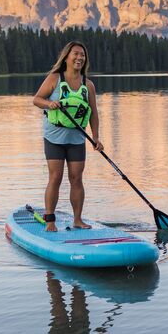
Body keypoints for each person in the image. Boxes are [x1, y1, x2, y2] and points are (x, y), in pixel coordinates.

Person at [33, 41, 104, 231]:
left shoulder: (88, 85)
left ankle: (78, 220)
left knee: (76, 178)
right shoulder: (55, 78)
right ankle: (50, 221)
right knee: (55, 177)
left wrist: (96, 137)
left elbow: (93, 113)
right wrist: (50, 104)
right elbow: (37, 99)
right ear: (66, 57)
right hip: (54, 137)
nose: (79, 58)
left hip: (77, 139)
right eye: (76, 54)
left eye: (83, 55)